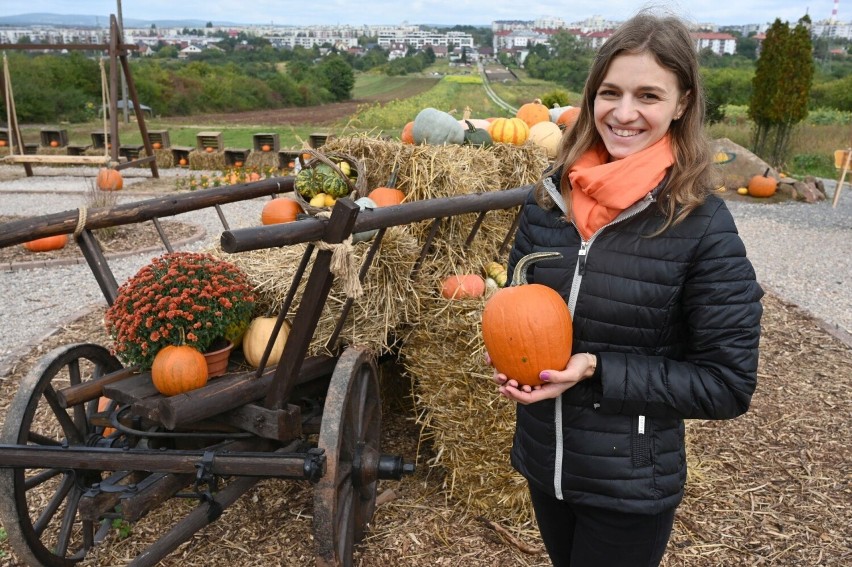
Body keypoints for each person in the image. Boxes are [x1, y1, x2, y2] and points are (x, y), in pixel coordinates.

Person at [489, 11, 764, 567]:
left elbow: (727, 383)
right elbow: (518, 308)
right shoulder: (548, 203)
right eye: (610, 92)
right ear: (591, 96)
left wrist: (597, 369)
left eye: (648, 95)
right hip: (546, 463)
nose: (624, 113)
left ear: (682, 103)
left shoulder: (700, 223)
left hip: (631, 483)